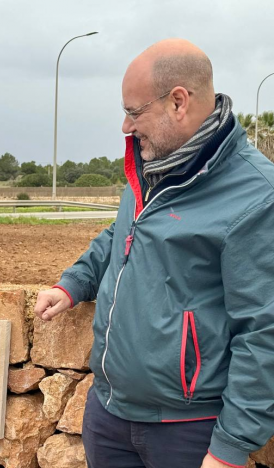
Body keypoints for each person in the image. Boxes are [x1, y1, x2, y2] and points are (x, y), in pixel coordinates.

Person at [34, 38, 274, 468]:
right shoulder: (151, 164)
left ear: (179, 101)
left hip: (187, 431)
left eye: (133, 111)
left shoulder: (257, 195)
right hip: (108, 413)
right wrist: (73, 283)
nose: (126, 126)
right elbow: (122, 234)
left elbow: (265, 331)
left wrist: (230, 447)